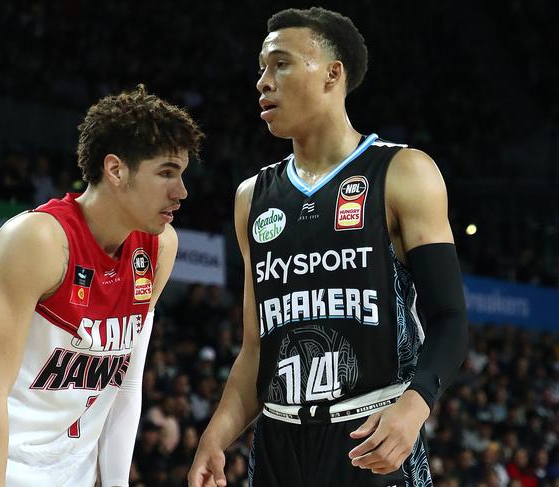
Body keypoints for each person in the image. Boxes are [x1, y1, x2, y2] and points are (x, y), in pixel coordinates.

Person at [189, 7, 468, 487]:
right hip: (276, 446)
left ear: (332, 75)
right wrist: (215, 437)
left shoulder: (403, 172)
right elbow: (256, 347)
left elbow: (450, 318)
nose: (263, 81)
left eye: (280, 64)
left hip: (370, 437)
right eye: (261, 67)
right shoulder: (251, 198)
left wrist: (414, 406)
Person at [0, 85, 203, 487]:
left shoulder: (159, 247)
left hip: (68, 472)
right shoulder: (38, 241)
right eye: (166, 173)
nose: (181, 192)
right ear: (116, 170)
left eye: (182, 175)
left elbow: (125, 385)